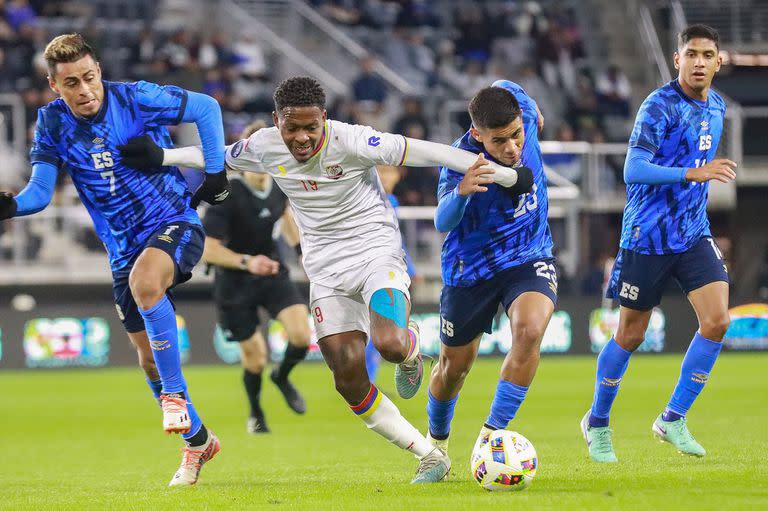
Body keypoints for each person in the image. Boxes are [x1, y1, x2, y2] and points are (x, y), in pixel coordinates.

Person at [121, 76, 528, 483]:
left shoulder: (354, 141)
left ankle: (409, 347)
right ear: (276, 120)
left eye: (310, 127)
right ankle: (428, 456)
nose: (301, 137)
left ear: (325, 120)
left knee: (388, 343)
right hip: (325, 271)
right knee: (348, 378)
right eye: (291, 127)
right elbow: (216, 155)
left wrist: (509, 177)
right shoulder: (264, 145)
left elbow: (423, 151)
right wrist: (161, 156)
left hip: (374, 252)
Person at [0, 34, 232, 486]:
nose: (84, 90)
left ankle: (175, 398)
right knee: (147, 361)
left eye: (89, 78)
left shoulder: (136, 98)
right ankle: (199, 442)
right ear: (54, 85)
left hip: (175, 220)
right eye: (71, 83)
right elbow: (40, 193)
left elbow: (206, 107)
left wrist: (215, 173)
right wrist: (10, 207)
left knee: (148, 283)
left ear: (100, 72)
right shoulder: (51, 124)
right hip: (122, 248)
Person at [581, 24, 735, 462]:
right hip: (646, 237)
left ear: (719, 61)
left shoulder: (718, 106)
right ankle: (597, 423)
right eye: (692, 54)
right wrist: (692, 173)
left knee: (718, 320)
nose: (700, 62)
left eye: (708, 54)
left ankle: (672, 418)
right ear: (677, 59)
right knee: (631, 334)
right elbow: (633, 169)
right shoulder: (658, 106)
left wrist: (696, 186)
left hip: (692, 234)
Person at [424, 81, 554, 465]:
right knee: (454, 369)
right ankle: (436, 445)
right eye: (499, 142)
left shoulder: (524, 112)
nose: (513, 148)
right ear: (477, 135)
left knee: (530, 331)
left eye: (517, 135)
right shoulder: (459, 160)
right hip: (471, 270)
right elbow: (441, 221)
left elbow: (504, 85)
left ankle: (491, 439)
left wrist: (535, 109)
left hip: (529, 254)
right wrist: (462, 192)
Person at [202, 120, 311, 434]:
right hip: (234, 282)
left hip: (272, 273)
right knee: (256, 358)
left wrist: (302, 252)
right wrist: (248, 262)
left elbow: (285, 215)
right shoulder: (226, 194)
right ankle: (256, 412)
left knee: (302, 336)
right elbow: (208, 250)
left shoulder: (280, 185)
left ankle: (283, 376)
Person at [364, 165, 420, 383]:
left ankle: (369, 383)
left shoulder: (392, 201)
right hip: (361, 269)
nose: (387, 177)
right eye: (382, 172)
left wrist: (411, 268)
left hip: (382, 273)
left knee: (375, 331)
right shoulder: (366, 196)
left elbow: (396, 241)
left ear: (398, 176)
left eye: (390, 173)